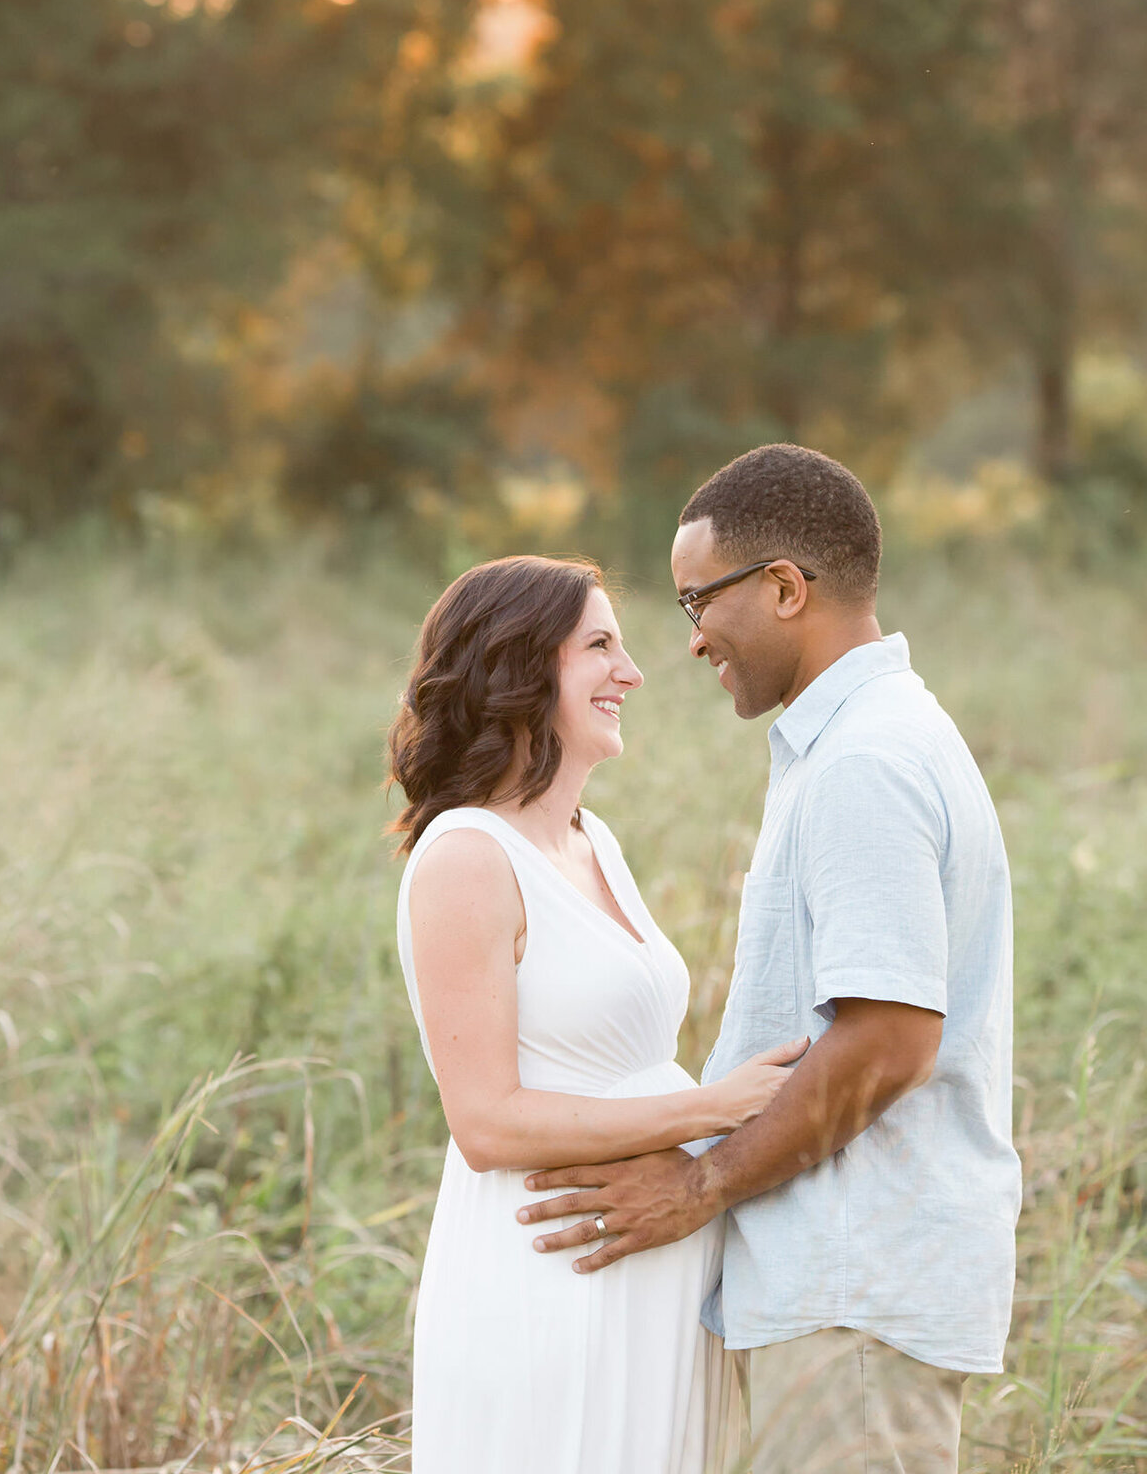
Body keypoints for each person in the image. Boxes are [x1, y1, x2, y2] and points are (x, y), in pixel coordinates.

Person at [519, 444, 1022, 1474]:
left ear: (786, 588)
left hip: (851, 1290)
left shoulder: (866, 763)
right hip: (835, 1291)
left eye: (698, 600)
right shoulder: (858, 744)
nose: (693, 641)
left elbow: (888, 1042)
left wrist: (700, 1189)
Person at [387, 554, 806, 1474]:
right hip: (549, 1273)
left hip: (649, 1268)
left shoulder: (593, 839)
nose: (634, 672)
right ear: (520, 666)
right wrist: (714, 1109)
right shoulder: (467, 857)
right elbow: (487, 1120)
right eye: (601, 647)